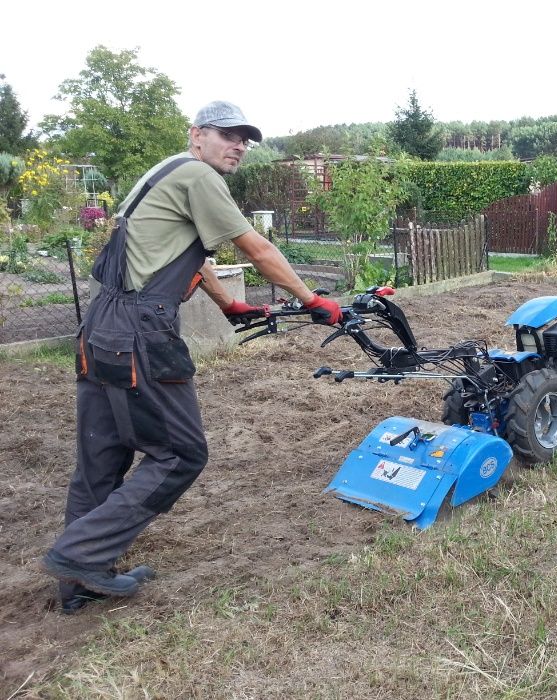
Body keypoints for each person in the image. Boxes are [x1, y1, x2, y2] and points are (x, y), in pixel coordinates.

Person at [41, 101, 341, 613]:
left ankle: (80, 583)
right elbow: (257, 250)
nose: (239, 146)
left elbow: (186, 255)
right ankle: (77, 555)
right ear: (197, 135)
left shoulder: (164, 173)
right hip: (140, 331)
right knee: (181, 454)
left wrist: (230, 304)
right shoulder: (200, 177)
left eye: (245, 139)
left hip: (99, 328)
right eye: (228, 135)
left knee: (101, 459)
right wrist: (314, 300)